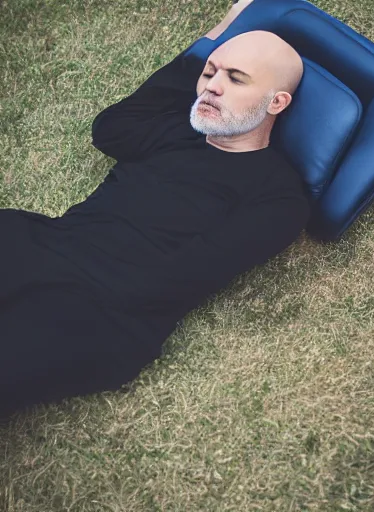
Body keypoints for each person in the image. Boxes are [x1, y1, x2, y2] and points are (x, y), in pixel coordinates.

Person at [0, 8, 308, 418]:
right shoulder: (174, 132)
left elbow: (183, 277)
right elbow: (108, 129)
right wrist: (213, 40)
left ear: (277, 101)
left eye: (235, 78)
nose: (211, 87)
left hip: (105, 310)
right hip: (51, 242)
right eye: (209, 73)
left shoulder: (279, 198)